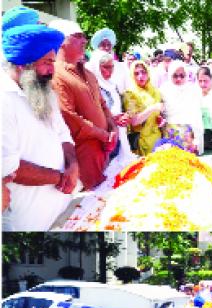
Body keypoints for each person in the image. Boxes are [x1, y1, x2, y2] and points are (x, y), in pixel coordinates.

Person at [2, 22, 80, 230]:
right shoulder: (5, 100)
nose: (52, 70)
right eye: (46, 62)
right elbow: (8, 167)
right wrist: (60, 177)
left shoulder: (44, 91)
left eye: (53, 62)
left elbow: (63, 133)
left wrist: (73, 165)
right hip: (26, 222)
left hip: (60, 210)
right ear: (22, 64)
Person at [50, 20, 116, 190]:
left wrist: (112, 129)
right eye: (78, 36)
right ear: (62, 41)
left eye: (84, 37)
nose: (84, 41)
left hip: (103, 153)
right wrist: (102, 134)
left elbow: (103, 105)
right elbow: (69, 117)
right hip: (82, 159)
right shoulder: (57, 74)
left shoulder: (88, 73)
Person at [86, 50, 133, 164]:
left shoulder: (113, 85)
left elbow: (121, 107)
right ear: (96, 67)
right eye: (106, 67)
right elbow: (90, 116)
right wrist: (112, 120)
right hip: (103, 140)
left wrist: (126, 115)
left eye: (112, 67)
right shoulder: (90, 88)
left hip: (119, 136)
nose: (110, 71)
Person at [160, 60, 203, 154]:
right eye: (175, 75)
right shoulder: (163, 90)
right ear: (169, 74)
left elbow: (197, 117)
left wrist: (197, 140)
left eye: (182, 75)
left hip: (188, 134)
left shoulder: (193, 91)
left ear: (186, 75)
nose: (178, 79)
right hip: (169, 132)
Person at [122, 60, 163, 155]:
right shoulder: (130, 94)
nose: (141, 76)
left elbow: (156, 115)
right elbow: (134, 121)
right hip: (141, 142)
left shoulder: (155, 92)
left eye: (143, 72)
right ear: (132, 76)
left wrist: (160, 120)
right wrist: (153, 108)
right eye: (136, 73)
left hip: (157, 140)